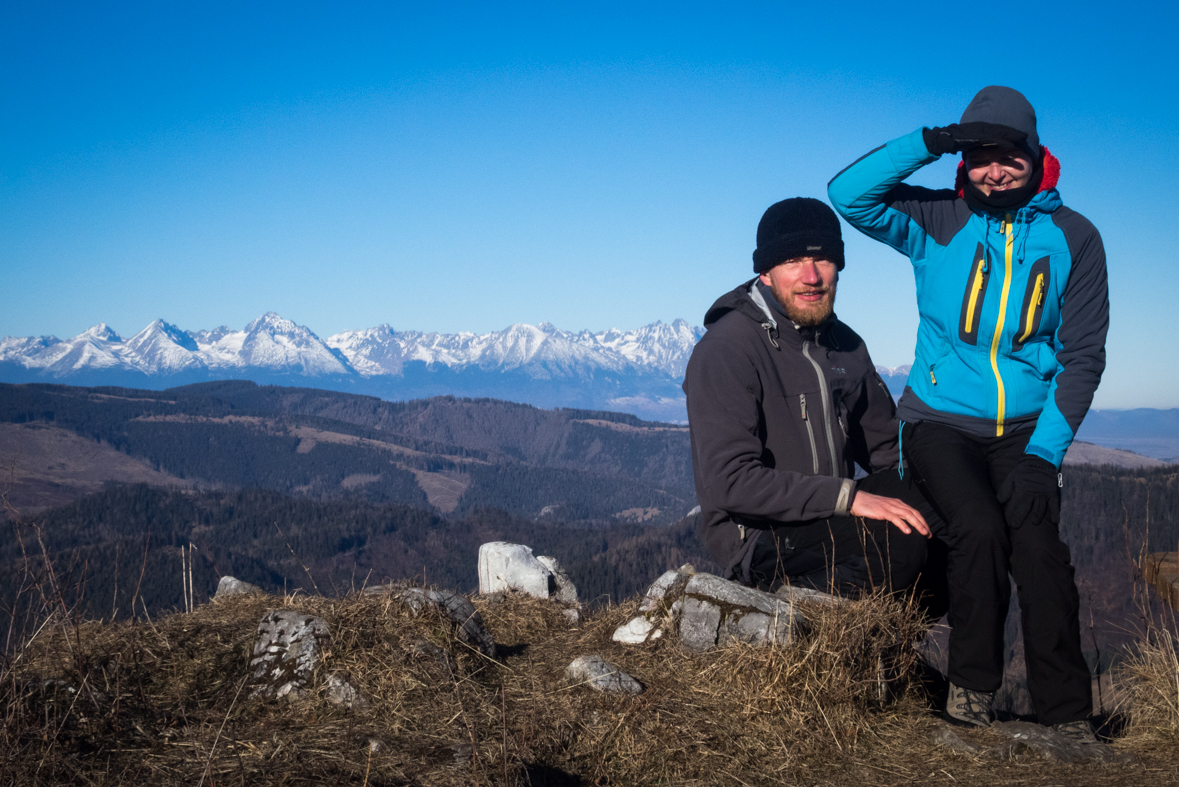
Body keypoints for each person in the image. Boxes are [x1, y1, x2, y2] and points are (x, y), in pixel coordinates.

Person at [827, 86, 1108, 741]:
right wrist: (932, 139)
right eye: (980, 154)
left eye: (1008, 153)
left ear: (1034, 157)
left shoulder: (1073, 237)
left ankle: (1065, 713)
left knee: (1038, 550)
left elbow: (1082, 355)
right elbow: (848, 194)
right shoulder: (937, 220)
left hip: (1025, 432)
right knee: (977, 531)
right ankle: (970, 693)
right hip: (938, 424)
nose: (994, 168)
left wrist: (1045, 452)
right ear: (964, 159)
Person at [683, 197, 941, 601]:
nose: (811, 276)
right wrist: (848, 496)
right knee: (900, 542)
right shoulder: (727, 349)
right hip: (760, 536)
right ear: (766, 272)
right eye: (792, 261)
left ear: (838, 266)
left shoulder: (845, 345)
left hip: (829, 514)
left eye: (822, 260)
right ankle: (787, 618)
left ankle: (899, 650)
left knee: (953, 511)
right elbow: (729, 483)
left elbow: (889, 451)